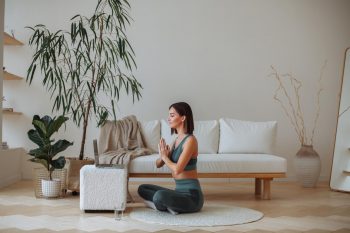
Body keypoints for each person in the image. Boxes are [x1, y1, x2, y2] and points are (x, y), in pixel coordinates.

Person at [137, 102, 204, 214]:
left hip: (192, 197)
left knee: (159, 196)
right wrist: (163, 155)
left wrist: (165, 157)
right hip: (178, 193)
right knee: (142, 188)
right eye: (169, 115)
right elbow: (158, 164)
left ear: (183, 118)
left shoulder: (190, 140)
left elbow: (178, 169)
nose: (169, 119)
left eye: (172, 115)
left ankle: (160, 205)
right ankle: (168, 206)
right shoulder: (176, 141)